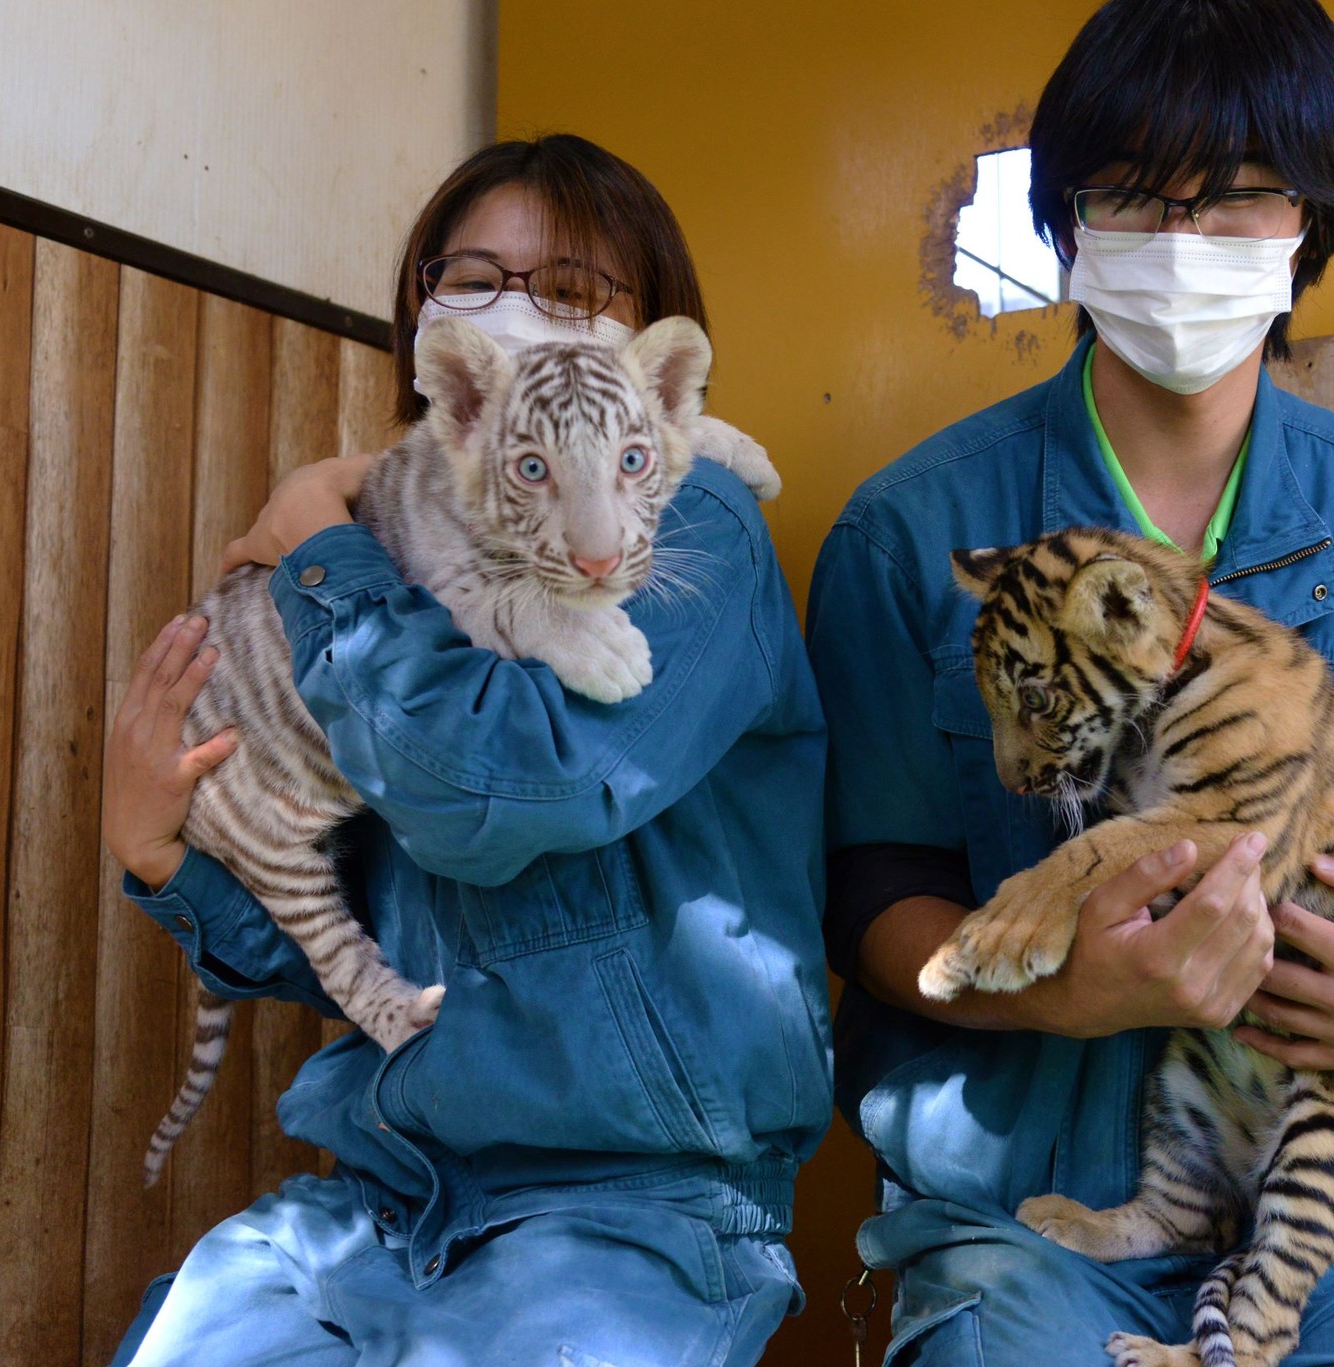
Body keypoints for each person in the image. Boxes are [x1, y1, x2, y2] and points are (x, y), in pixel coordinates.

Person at [805, 1, 1334, 1361]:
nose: (1182, 240)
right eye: (1130, 197)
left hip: (1328, 1214)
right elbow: (870, 892)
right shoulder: (909, 532)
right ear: (1065, 223)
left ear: (1307, 222)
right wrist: (1054, 990)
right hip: (1018, 1213)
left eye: (1237, 196)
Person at [101, 135, 832, 1367]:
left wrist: (317, 546)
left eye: (571, 288)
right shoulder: (410, 534)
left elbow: (495, 798)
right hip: (386, 1191)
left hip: (631, 1206)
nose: (516, 308)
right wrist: (160, 854)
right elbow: (349, 949)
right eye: (475, 276)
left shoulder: (690, 524)